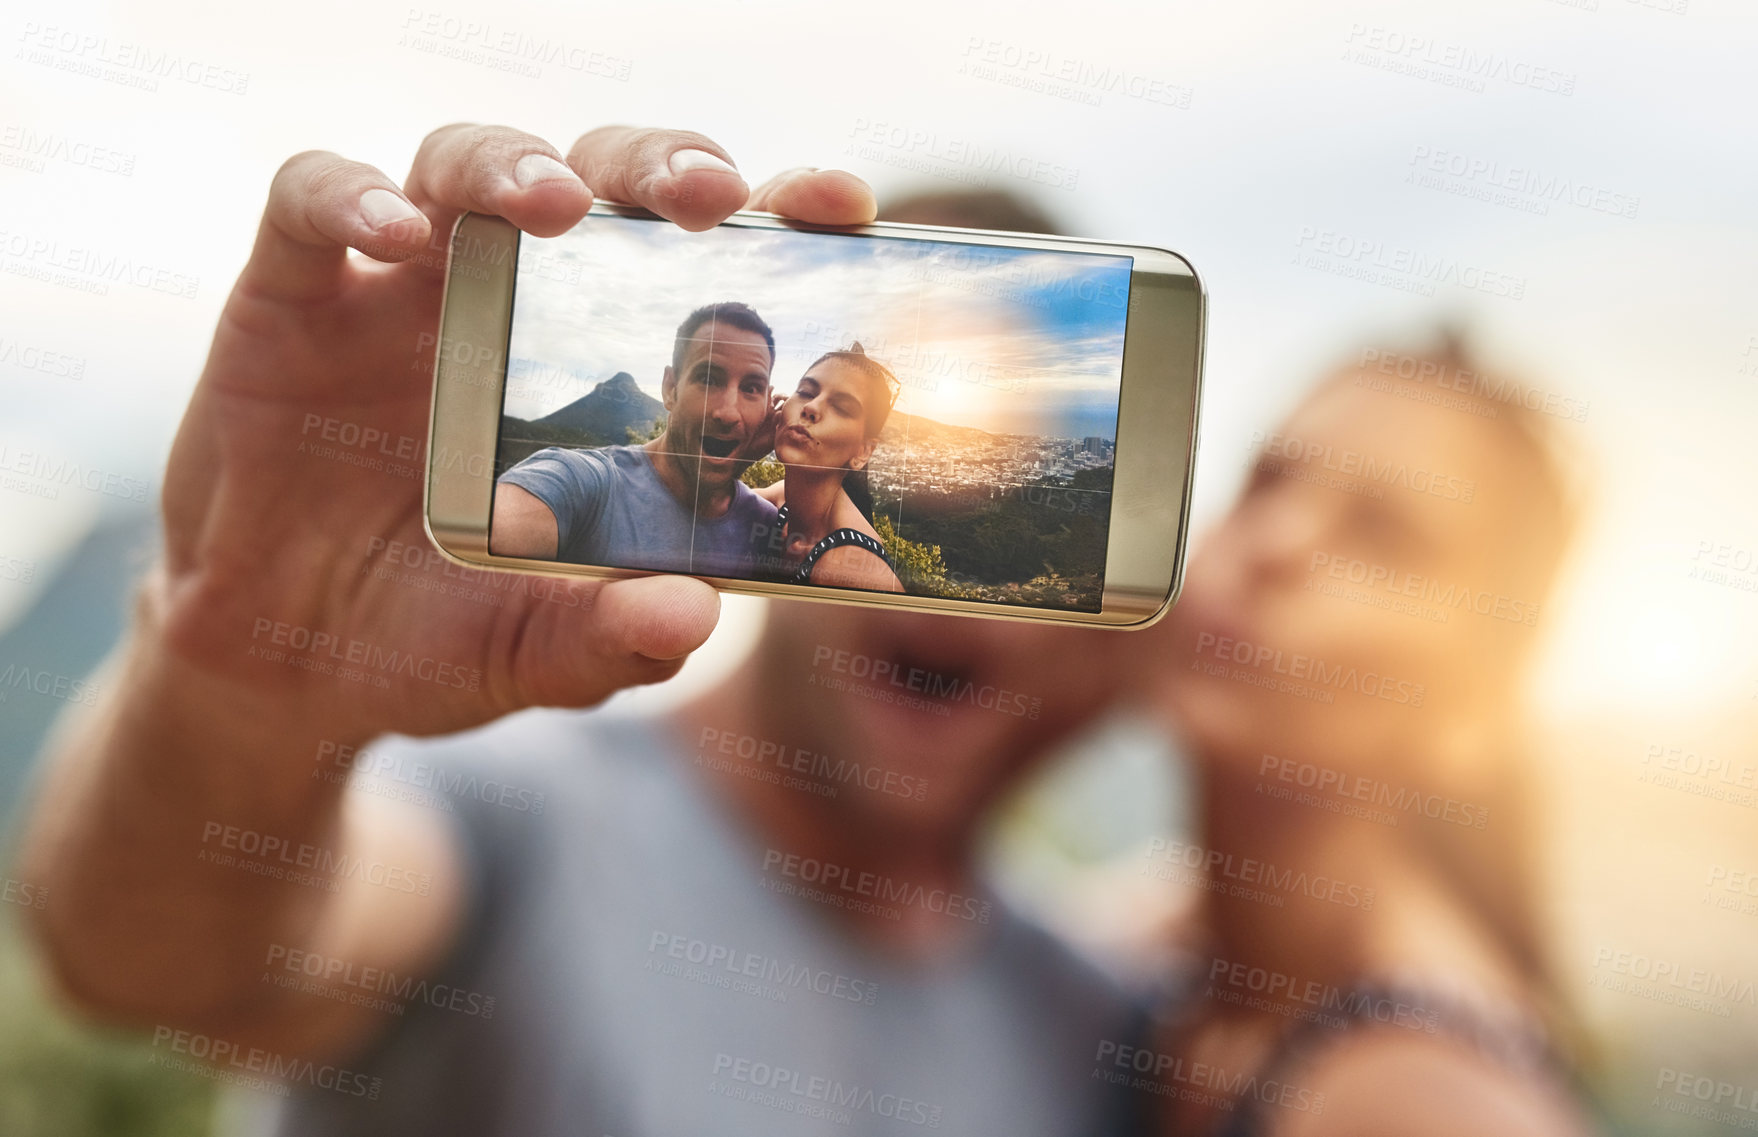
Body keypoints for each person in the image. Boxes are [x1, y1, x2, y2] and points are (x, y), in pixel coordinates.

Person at [15, 129, 1147, 1136]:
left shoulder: (1091, 1015)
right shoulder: (509, 803)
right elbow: (151, 966)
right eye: (785, 394)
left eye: (987, 496)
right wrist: (243, 686)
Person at [1131, 336, 1596, 1136]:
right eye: (1266, 480)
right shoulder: (1154, 937)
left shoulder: (1425, 1095)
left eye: (1380, 535)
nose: (1275, 543)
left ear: (1475, 707)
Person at [490, 300, 781, 578]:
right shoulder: (588, 484)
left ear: (767, 405)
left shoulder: (764, 526)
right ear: (670, 388)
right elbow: (500, 527)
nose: (728, 413)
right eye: (708, 379)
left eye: (751, 388)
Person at [754, 342, 904, 592]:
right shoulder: (781, 501)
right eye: (805, 392)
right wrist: (747, 447)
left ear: (862, 452)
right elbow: (700, 501)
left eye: (842, 408)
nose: (811, 408)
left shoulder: (849, 569)